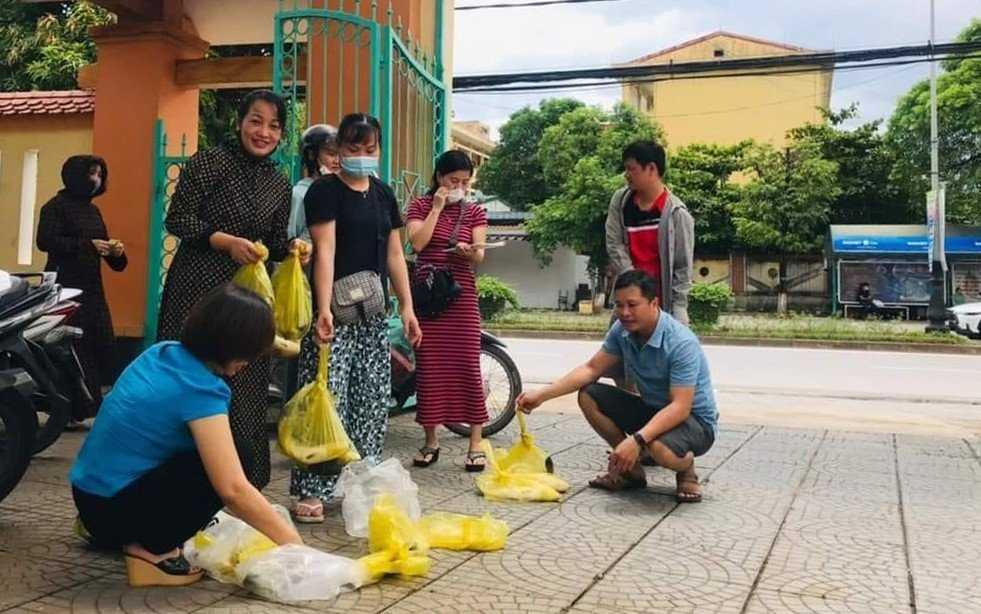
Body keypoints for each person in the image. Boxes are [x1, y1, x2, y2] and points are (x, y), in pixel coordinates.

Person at [70, 285, 303, 588]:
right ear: (231, 344)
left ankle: (133, 533)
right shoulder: (200, 389)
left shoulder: (161, 352)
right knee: (240, 458)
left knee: (220, 453)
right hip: (113, 514)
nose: (250, 362)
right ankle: (153, 550)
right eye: (250, 353)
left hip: (89, 501)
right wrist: (298, 549)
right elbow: (233, 489)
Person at [157, 89, 309, 490]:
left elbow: (275, 239)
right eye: (256, 121)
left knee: (243, 381)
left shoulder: (279, 182)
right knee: (193, 375)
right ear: (240, 122)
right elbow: (179, 220)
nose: (264, 132)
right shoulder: (210, 162)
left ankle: (240, 484)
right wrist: (224, 241)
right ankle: (178, 484)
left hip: (247, 299)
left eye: (274, 126)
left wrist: (292, 249)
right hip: (198, 289)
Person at [291, 112, 422, 522]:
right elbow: (325, 250)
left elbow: (395, 254)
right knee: (327, 397)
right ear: (338, 151)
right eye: (353, 149)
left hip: (372, 311)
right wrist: (323, 306)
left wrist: (407, 306)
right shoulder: (324, 192)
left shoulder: (383, 194)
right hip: (336, 311)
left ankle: (361, 480)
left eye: (370, 149)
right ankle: (314, 489)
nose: (362, 156)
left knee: (370, 397)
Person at [517, 270, 718, 503]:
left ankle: (686, 468)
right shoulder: (622, 330)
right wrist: (542, 395)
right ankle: (631, 472)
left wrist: (636, 441)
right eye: (619, 305)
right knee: (589, 394)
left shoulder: (680, 342)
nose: (624, 313)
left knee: (656, 447)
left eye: (632, 305)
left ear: (654, 303)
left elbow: (680, 407)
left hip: (694, 423)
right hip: (653, 410)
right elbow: (591, 369)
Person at [406, 150, 489, 472]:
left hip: (461, 294)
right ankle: (431, 441)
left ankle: (475, 443)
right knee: (429, 368)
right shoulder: (420, 205)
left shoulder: (476, 212)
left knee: (469, 365)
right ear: (440, 177)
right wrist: (438, 208)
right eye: (454, 180)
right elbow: (418, 243)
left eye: (465, 182)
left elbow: (480, 255)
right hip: (428, 295)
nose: (460, 187)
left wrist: (470, 251)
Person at [36, 155, 127, 423]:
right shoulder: (54, 207)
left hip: (92, 287)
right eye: (91, 174)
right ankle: (74, 408)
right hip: (65, 286)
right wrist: (87, 246)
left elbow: (102, 247)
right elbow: (46, 241)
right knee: (74, 346)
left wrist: (115, 252)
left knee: (102, 342)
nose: (96, 180)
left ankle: (96, 403)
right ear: (75, 175)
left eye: (100, 174)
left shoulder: (93, 210)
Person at [605, 140, 694, 325]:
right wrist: (634, 285)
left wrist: (679, 309)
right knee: (617, 351)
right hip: (628, 305)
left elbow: (683, 267)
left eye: (632, 169)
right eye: (626, 169)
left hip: (661, 308)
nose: (626, 175)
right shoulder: (621, 202)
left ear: (652, 169)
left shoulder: (676, 213)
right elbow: (614, 244)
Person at [289, 124, 341, 242]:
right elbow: (290, 238)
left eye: (341, 155)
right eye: (331, 154)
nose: (337, 161)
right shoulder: (299, 194)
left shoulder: (344, 191)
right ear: (312, 155)